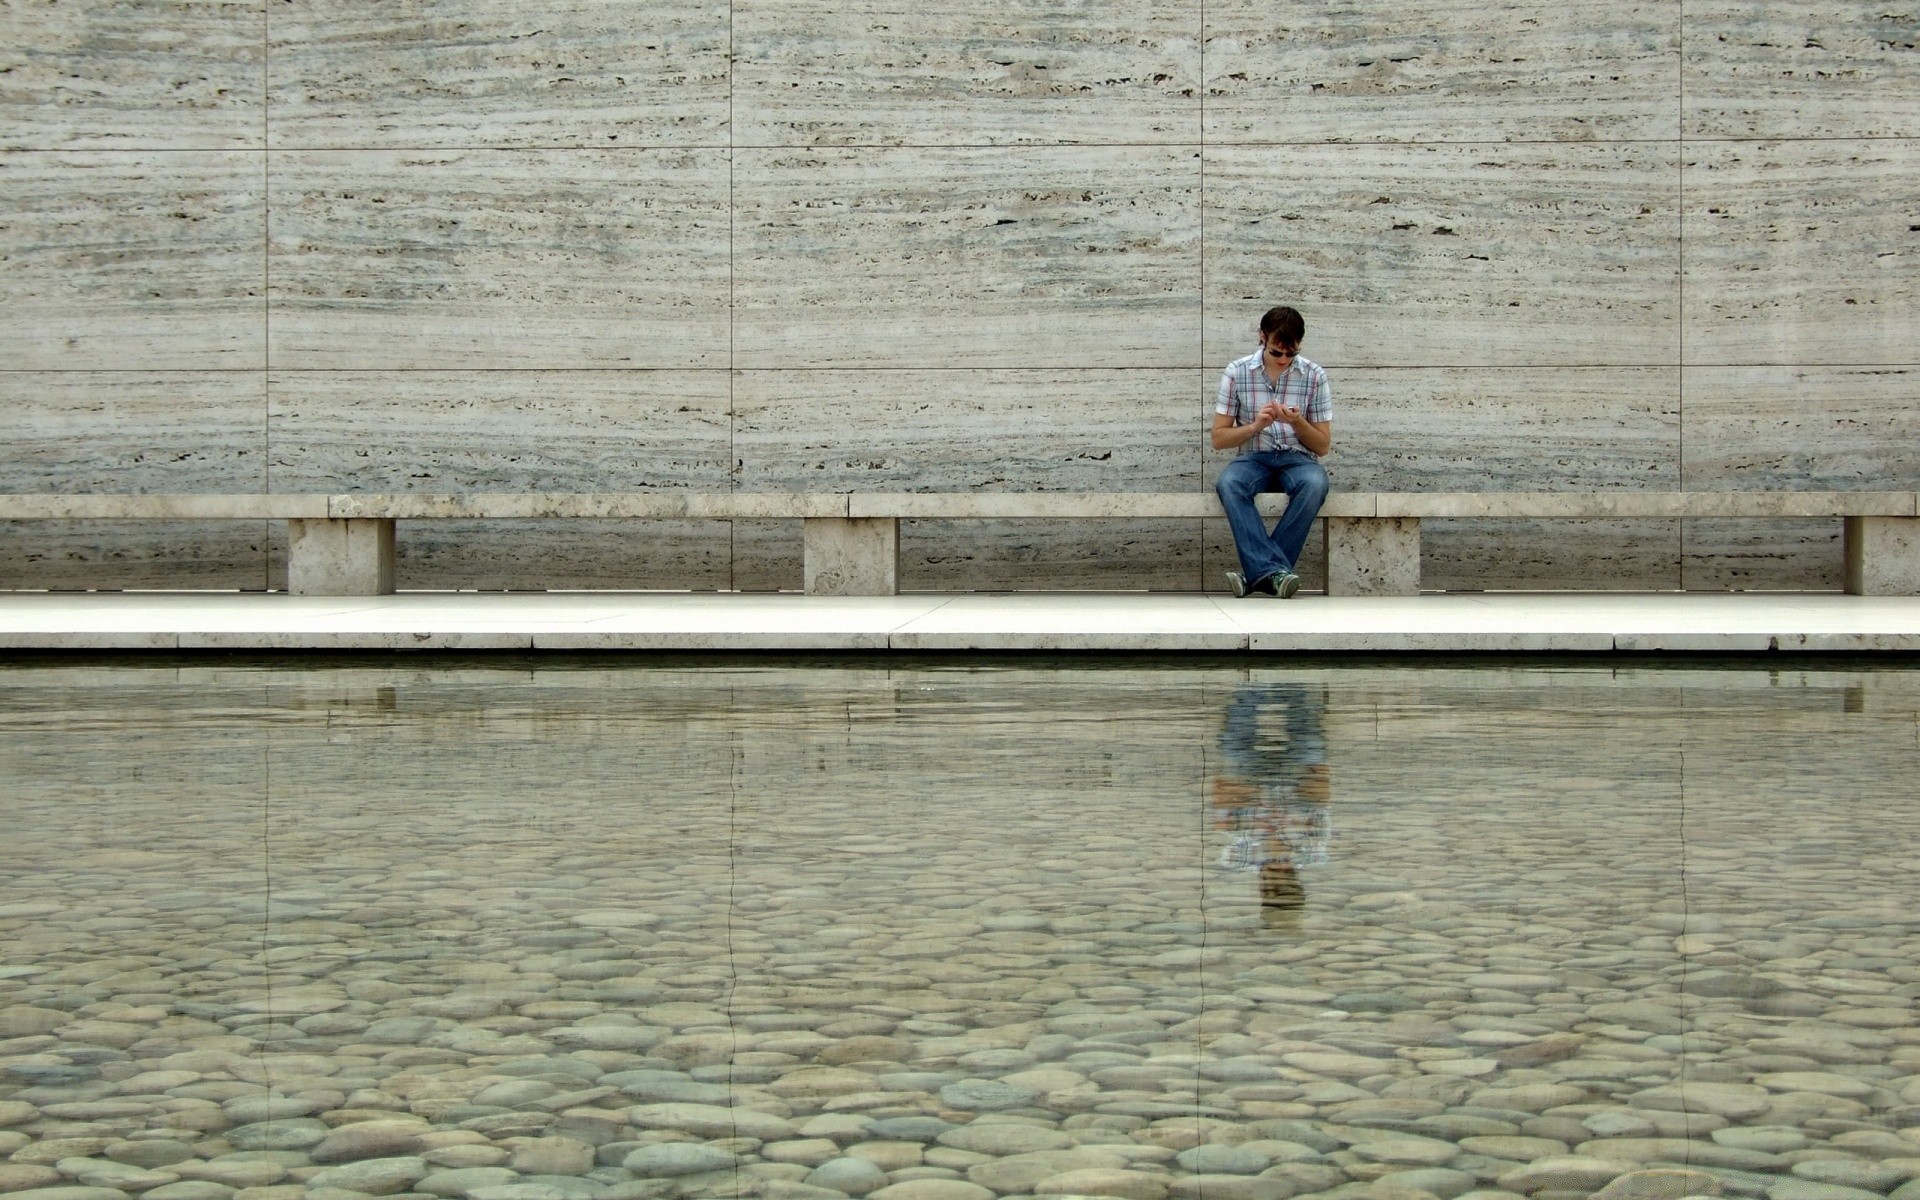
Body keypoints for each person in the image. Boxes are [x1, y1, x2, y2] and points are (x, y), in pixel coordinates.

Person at [1211, 305, 1332, 598]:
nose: (1284, 360)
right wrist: (1255, 426)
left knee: (1315, 484)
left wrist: (1298, 421)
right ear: (1262, 337)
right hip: (1254, 456)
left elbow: (1322, 445)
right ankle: (1273, 573)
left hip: (1297, 458)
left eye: (1291, 354)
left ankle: (1259, 574)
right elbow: (1218, 438)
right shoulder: (1237, 371)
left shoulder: (1314, 375)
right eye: (1277, 352)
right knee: (1230, 483)